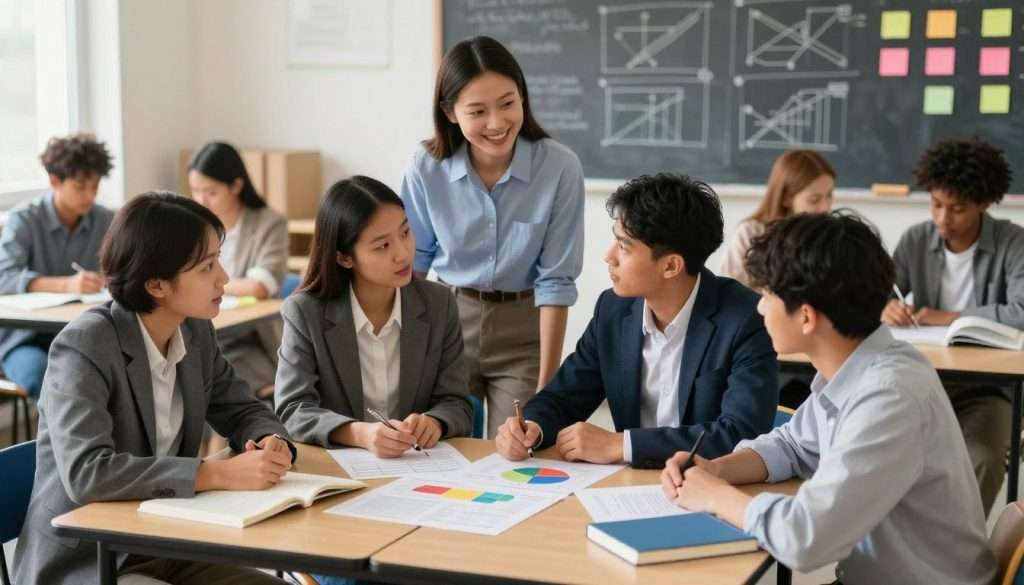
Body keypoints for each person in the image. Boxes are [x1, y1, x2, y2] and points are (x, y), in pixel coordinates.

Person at [662, 211, 995, 585]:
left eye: (767, 295)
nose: (759, 308)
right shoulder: (857, 368)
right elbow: (793, 445)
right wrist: (717, 469)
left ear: (806, 317)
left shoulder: (889, 396)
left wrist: (717, 497)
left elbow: (806, 539)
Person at [13, 192, 295, 585]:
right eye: (207, 266)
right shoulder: (85, 345)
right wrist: (215, 474)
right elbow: (88, 473)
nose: (224, 278)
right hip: (89, 560)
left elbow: (243, 409)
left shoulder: (195, 330)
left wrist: (270, 440)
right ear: (157, 284)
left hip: (165, 543)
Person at [495, 174, 778, 467]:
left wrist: (622, 445)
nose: (609, 257)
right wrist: (531, 428)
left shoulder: (746, 319)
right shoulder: (613, 309)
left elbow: (741, 434)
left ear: (671, 265)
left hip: (708, 487)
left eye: (624, 246)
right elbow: (564, 396)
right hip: (627, 486)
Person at [400, 36, 585, 438]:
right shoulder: (425, 166)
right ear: (450, 112)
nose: (497, 123)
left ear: (523, 97)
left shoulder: (559, 167)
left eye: (507, 103)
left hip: (523, 331)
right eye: (477, 111)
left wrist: (545, 392)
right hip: (446, 322)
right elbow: (412, 262)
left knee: (519, 450)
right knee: (435, 449)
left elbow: (556, 281)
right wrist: (407, 353)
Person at [275, 175, 473, 456]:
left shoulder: (439, 303)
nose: (403, 254)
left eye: (405, 233)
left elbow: (457, 402)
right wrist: (360, 433)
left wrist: (435, 422)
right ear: (345, 257)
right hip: (341, 469)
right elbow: (292, 410)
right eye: (383, 246)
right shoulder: (305, 312)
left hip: (417, 468)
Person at [882, 136, 1023, 514]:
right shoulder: (915, 240)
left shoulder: (1013, 242)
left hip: (988, 388)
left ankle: (957, 554)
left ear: (983, 203)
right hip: (919, 382)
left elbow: (1022, 310)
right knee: (884, 452)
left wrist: (951, 317)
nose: (943, 219)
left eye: (957, 208)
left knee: (983, 455)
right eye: (936, 205)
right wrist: (887, 307)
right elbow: (877, 294)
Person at [0, 133, 115, 399]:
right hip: (27, 340)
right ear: (55, 181)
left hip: (85, 335)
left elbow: (124, 269)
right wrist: (66, 285)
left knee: (115, 376)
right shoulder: (24, 220)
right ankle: (57, 442)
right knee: (52, 382)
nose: (90, 195)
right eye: (80, 186)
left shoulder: (105, 220)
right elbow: (4, 277)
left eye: (95, 187)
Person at [188, 141, 288, 397]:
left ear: (236, 185)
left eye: (210, 192)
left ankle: (223, 435)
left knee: (218, 374)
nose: (201, 200)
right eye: (195, 191)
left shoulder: (268, 224)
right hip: (206, 331)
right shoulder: (194, 228)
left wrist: (203, 283)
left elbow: (259, 287)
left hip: (251, 337)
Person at [719, 150, 834, 288]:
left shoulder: (831, 238)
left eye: (829, 195)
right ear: (786, 198)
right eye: (814, 200)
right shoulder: (751, 233)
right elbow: (729, 293)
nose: (825, 207)